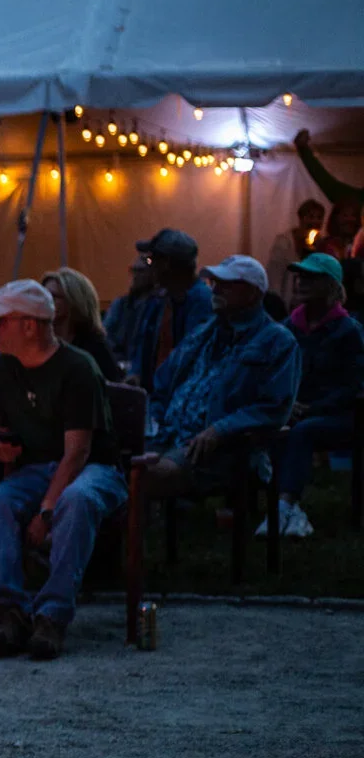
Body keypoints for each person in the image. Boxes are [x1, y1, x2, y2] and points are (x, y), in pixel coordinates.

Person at [0, 280, 129, 661]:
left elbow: (78, 453)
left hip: (94, 469)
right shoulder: (3, 367)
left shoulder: (77, 368)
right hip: (35, 469)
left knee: (75, 500)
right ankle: (8, 613)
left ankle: (51, 616)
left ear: (30, 325)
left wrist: (46, 509)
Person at [144, 255, 299, 498]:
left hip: (218, 451)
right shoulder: (203, 332)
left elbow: (274, 407)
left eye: (226, 283)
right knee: (111, 465)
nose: (215, 288)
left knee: (145, 475)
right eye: (214, 282)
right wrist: (153, 418)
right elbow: (163, 381)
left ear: (253, 293)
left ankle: (135, 533)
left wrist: (219, 429)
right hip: (166, 435)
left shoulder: (277, 341)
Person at [265, 253, 364, 538]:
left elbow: (352, 387)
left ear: (330, 286)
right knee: (262, 426)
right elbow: (274, 374)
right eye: (300, 276)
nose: (301, 282)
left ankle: (284, 506)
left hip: (341, 416)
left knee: (302, 431)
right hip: (295, 410)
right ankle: (252, 503)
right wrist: (287, 403)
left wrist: (310, 408)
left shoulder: (349, 332)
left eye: (311, 277)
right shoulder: (287, 329)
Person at [131, 228, 212, 384]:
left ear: (166, 264)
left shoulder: (203, 303)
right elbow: (143, 345)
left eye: (150, 260)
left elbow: (190, 358)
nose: (149, 267)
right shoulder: (159, 300)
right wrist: (136, 373)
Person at [41, 268, 123, 382]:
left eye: (53, 296)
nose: (44, 301)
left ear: (73, 301)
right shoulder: (39, 343)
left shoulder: (95, 348)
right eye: (43, 295)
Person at [294, 129, 364, 257]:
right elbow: (324, 179)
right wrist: (303, 150)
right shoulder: (353, 198)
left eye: (352, 216)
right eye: (346, 215)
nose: (350, 219)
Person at [102, 256, 156, 365]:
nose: (135, 276)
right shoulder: (121, 305)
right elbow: (106, 337)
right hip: (119, 363)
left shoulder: (160, 305)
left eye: (141, 271)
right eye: (134, 270)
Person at [267, 198, 328, 290]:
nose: (315, 221)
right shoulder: (284, 242)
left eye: (319, 217)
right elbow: (274, 276)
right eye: (311, 217)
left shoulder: (321, 244)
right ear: (301, 218)